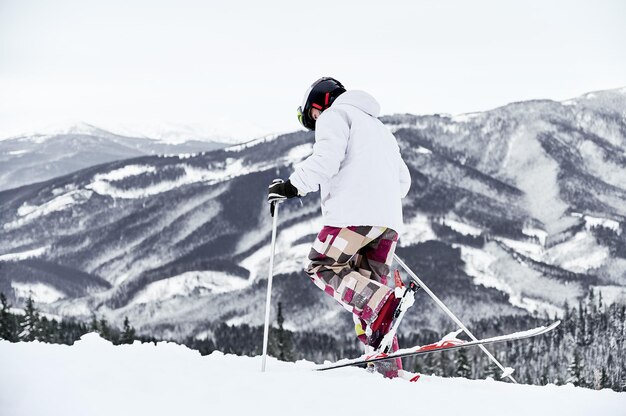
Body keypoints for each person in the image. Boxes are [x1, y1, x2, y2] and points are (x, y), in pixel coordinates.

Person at [267, 77, 411, 378]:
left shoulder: (335, 115)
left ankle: (384, 303)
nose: (316, 121)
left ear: (321, 102)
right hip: (388, 223)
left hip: (352, 215)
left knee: (322, 266)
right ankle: (387, 370)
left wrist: (292, 186)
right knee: (366, 295)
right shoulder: (382, 130)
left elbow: (326, 160)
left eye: (313, 115)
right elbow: (403, 183)